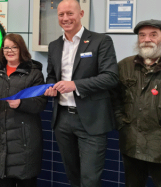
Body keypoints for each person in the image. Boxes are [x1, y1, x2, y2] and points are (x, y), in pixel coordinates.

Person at [44, 0, 118, 186]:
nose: (65, 18)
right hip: (62, 119)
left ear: (81, 14)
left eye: (70, 13)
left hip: (91, 120)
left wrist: (75, 85)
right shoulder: (54, 45)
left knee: (89, 179)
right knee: (73, 175)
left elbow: (110, 77)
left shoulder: (101, 41)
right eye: (61, 14)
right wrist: (51, 86)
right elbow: (51, 75)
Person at [0, 33, 47, 187]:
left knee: (26, 180)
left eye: (14, 47)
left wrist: (21, 103)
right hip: (0, 138)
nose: (9, 51)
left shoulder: (34, 73)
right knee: (4, 181)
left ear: (21, 49)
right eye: (6, 47)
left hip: (24, 140)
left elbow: (40, 103)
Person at [112, 19, 161, 187]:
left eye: (153, 35)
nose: (147, 39)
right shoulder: (125, 65)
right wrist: (121, 124)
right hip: (132, 144)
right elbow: (113, 98)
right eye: (142, 35)